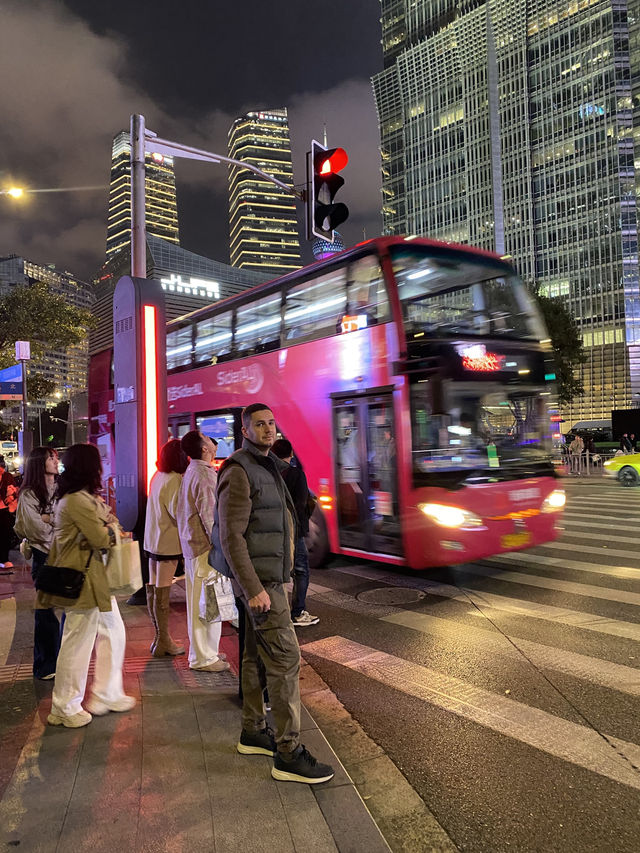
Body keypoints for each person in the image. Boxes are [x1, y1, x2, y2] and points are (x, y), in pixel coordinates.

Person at [212, 402, 334, 784]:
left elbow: (278, 524)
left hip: (267, 581)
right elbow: (231, 537)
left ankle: (252, 731)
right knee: (285, 662)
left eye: (272, 424)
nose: (269, 430)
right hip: (259, 586)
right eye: (260, 425)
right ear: (245, 430)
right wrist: (253, 588)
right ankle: (288, 752)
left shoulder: (267, 466)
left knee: (253, 657)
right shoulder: (240, 470)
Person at [38, 444, 135, 728]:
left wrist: (108, 526)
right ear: (89, 466)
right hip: (81, 581)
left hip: (94, 579)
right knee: (76, 643)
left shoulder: (80, 497)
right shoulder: (77, 500)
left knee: (113, 633)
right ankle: (65, 706)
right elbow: (102, 536)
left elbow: (106, 524)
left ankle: (107, 693)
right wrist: (111, 528)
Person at [176, 430, 229, 673]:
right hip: (204, 550)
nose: (213, 441)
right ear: (204, 449)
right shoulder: (204, 475)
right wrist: (222, 548)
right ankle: (202, 658)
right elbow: (211, 518)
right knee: (205, 604)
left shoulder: (194, 471)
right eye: (208, 439)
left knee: (206, 603)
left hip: (195, 548)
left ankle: (207, 652)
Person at [15, 447, 60, 679]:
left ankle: (60, 661)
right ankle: (45, 665)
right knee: (45, 612)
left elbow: (65, 520)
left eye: (55, 457)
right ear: (38, 464)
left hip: (62, 555)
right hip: (43, 557)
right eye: (50, 458)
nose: (55, 461)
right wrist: (55, 523)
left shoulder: (60, 488)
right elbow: (36, 530)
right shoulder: (28, 494)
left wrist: (49, 518)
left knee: (65, 611)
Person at [143, 439, 188, 658]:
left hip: (152, 540)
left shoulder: (157, 476)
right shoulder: (174, 480)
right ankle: (164, 641)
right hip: (167, 543)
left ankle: (159, 638)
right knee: (163, 592)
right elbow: (178, 512)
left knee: (153, 589)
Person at [271, 438, 319, 628]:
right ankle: (298, 612)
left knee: (279, 571)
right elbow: (300, 505)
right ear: (290, 455)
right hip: (293, 530)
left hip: (274, 530)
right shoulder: (296, 474)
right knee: (301, 570)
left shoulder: (270, 473)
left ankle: (279, 612)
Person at [0, 455, 18, 569]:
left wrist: (11, 497)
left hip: (4, 510)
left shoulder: (7, 476)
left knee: (5, 535)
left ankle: (4, 559)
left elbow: (14, 490)